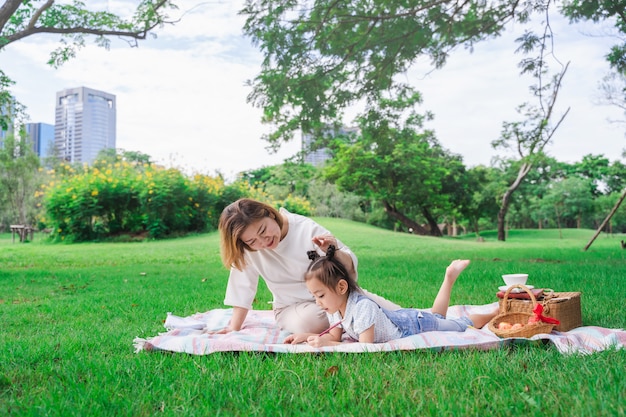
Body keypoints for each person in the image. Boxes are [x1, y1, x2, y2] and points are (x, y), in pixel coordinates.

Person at [217, 198, 401, 334]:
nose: (263, 242)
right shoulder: (248, 250)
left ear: (271, 214)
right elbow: (242, 288)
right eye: (252, 240)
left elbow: (349, 270)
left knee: (399, 316)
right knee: (312, 322)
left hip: (337, 298)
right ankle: (350, 323)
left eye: (263, 231)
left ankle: (352, 320)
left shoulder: (305, 229)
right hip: (292, 308)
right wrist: (234, 327)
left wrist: (334, 250)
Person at [283, 246, 498, 346]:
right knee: (438, 319)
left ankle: (494, 312)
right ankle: (449, 278)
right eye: (314, 297)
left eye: (320, 295)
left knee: (459, 325)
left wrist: (328, 346)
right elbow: (334, 337)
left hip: (413, 325)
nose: (317, 302)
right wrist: (309, 337)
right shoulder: (334, 308)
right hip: (406, 319)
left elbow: (366, 347)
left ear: (341, 287)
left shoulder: (362, 307)